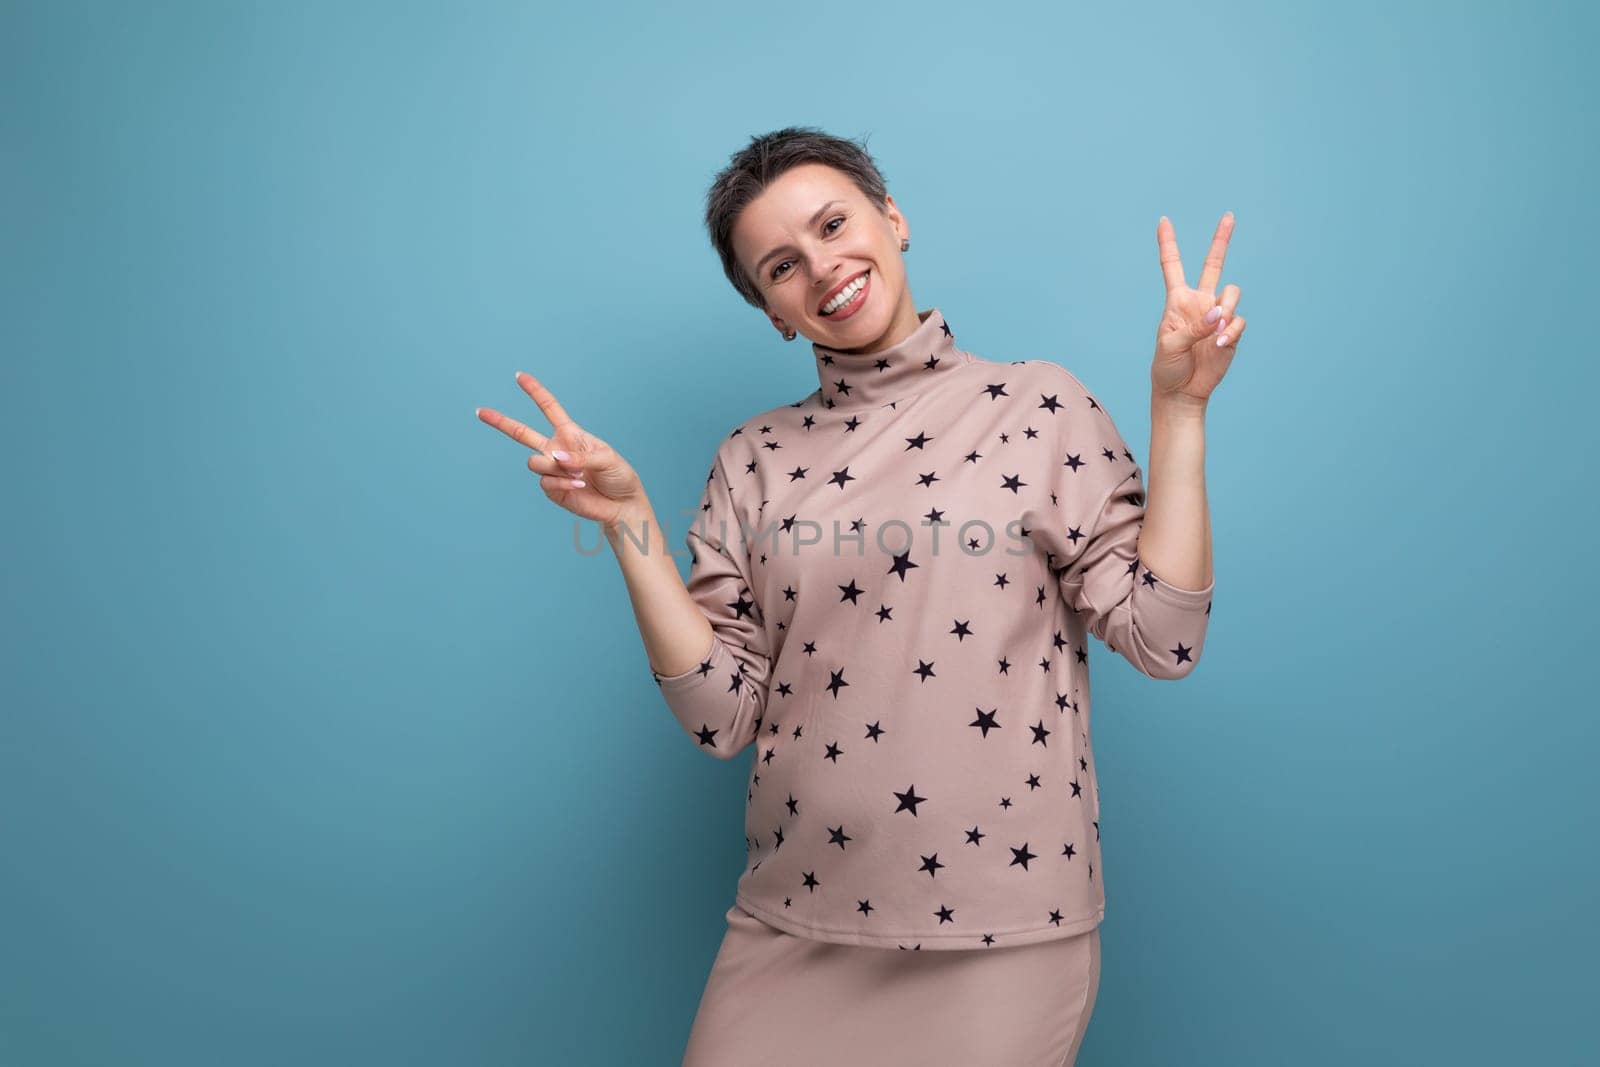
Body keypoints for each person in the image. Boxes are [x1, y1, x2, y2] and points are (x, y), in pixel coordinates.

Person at [476, 127, 1246, 1066]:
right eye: (782, 266)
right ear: (774, 313)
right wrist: (630, 523)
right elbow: (723, 717)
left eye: (835, 223)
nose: (824, 267)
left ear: (893, 217)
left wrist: (1181, 410)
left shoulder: (1039, 406)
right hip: (791, 921)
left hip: (1002, 931)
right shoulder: (752, 458)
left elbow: (1165, 639)